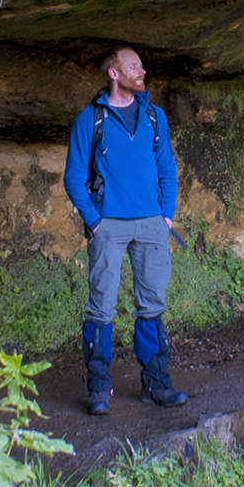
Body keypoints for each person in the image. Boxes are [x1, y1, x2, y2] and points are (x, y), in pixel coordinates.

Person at [62, 47, 189, 415]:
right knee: (101, 305)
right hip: (109, 225)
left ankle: (156, 383)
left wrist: (166, 215)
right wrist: (94, 220)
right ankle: (99, 387)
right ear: (114, 73)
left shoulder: (154, 116)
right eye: (134, 66)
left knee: (152, 304)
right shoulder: (91, 119)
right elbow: (73, 177)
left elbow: (166, 165)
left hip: (151, 223)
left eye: (141, 66)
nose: (142, 71)